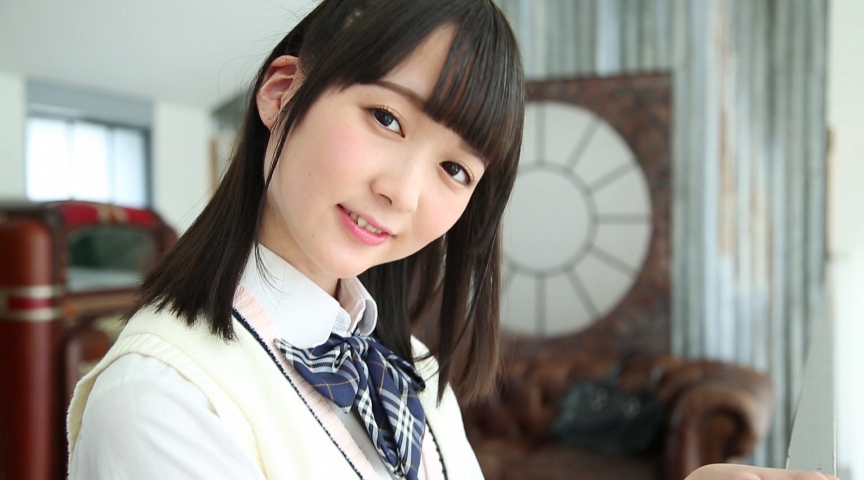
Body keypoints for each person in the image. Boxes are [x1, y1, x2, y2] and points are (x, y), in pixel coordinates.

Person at [66, 1, 840, 479]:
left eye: (454, 169)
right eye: (386, 118)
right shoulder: (164, 398)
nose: (402, 193)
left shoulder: (408, 364)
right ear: (281, 93)